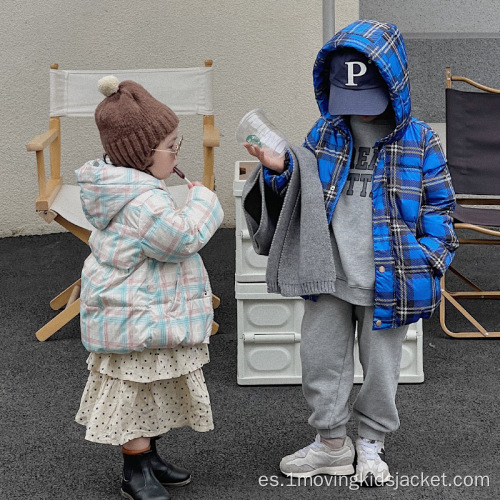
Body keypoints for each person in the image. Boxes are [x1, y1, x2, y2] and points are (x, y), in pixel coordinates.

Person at [241, 20, 458, 486]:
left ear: (394, 84)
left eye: (368, 101)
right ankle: (332, 445)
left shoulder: (420, 140)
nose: (357, 113)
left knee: (381, 368)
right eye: (348, 101)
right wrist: (278, 172)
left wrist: (429, 259)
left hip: (391, 280)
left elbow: (442, 208)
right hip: (330, 274)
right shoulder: (326, 132)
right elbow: (299, 194)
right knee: (321, 359)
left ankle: (372, 444)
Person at [74, 75, 224, 500]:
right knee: (135, 390)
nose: (178, 152)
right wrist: (203, 202)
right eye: (171, 146)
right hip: (135, 314)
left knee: (151, 385)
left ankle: (150, 456)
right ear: (142, 155)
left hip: (139, 309)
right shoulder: (144, 201)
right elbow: (182, 239)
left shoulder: (130, 189)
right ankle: (134, 470)